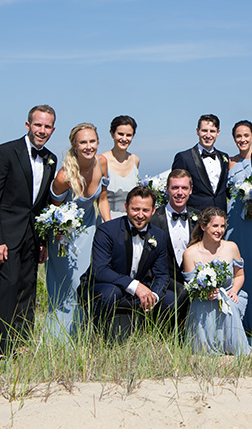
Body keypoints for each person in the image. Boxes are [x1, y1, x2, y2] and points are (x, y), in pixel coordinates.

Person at [0, 105, 57, 360]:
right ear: (28, 126)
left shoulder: (51, 158)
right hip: (8, 235)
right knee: (10, 285)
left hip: (33, 236)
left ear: (53, 129)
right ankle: (1, 348)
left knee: (28, 287)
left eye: (47, 126)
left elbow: (45, 203)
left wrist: (43, 241)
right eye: (38, 125)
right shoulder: (4, 152)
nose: (42, 130)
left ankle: (22, 342)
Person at [78, 186, 170, 342]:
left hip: (137, 290)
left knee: (171, 298)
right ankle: (98, 337)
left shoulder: (159, 235)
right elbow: (99, 270)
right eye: (135, 209)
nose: (140, 215)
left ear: (153, 211)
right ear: (126, 207)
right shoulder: (107, 230)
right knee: (111, 293)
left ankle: (158, 342)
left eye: (145, 210)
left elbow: (162, 274)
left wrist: (152, 296)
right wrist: (135, 286)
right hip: (103, 286)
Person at [46, 123, 111, 338]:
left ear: (98, 142)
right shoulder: (64, 177)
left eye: (92, 141)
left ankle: (82, 335)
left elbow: (102, 199)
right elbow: (53, 212)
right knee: (67, 286)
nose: (88, 146)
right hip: (63, 236)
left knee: (86, 284)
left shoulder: (102, 163)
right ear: (74, 145)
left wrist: (109, 228)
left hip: (89, 231)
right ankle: (60, 339)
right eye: (83, 142)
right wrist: (60, 237)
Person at [182, 207, 252, 356]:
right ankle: (205, 348)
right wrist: (205, 293)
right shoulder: (190, 253)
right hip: (202, 298)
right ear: (203, 226)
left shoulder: (231, 247)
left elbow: (239, 275)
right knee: (202, 307)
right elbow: (190, 286)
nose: (219, 230)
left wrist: (233, 291)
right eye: (215, 226)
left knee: (230, 306)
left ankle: (232, 347)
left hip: (227, 293)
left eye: (222, 226)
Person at [225, 120, 252, 337]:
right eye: (238, 136)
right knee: (234, 270)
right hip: (233, 223)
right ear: (234, 139)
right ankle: (234, 322)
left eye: (246, 135)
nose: (242, 139)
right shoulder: (228, 162)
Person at [150, 169, 200, 320]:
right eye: (175, 188)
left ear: (190, 190)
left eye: (184, 188)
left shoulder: (198, 219)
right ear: (167, 189)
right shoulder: (153, 219)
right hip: (162, 281)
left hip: (192, 280)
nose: (180, 192)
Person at [172, 114, 230, 212]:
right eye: (204, 130)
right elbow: (176, 188)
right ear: (197, 131)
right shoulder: (184, 157)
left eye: (212, 131)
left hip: (220, 216)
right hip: (195, 216)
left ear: (218, 133)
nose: (208, 135)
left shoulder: (224, 157)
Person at [99, 115, 140, 220]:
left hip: (132, 222)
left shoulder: (135, 160)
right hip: (108, 221)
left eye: (129, 135)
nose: (124, 139)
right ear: (112, 134)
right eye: (120, 134)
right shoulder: (101, 160)